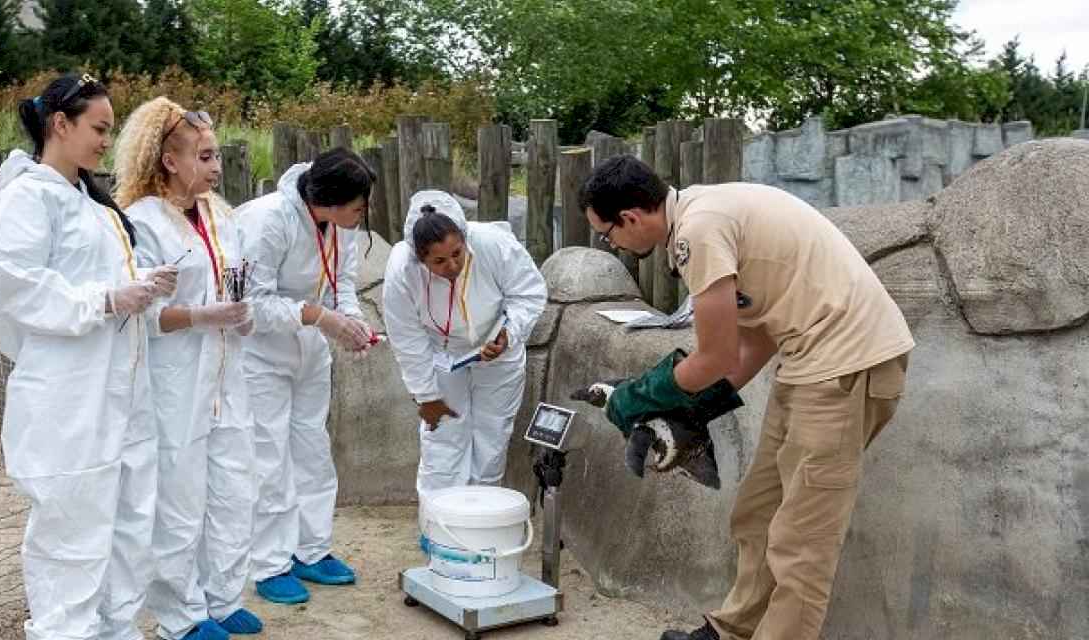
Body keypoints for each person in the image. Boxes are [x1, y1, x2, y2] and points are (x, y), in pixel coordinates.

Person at [578, 156, 913, 640]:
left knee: (802, 542)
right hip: (809, 363)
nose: (613, 245)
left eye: (607, 235)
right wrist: (694, 409)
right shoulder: (700, 217)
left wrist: (637, 397)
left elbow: (713, 357)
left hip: (847, 366)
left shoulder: (698, 232)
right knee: (757, 512)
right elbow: (754, 340)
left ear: (629, 218)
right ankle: (732, 630)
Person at [0, 73, 178, 640]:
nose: (107, 141)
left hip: (120, 390)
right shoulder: (27, 199)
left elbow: (94, 276)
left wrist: (141, 282)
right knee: (72, 535)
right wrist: (104, 299)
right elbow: (11, 282)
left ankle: (115, 628)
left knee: (128, 521)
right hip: (69, 397)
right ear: (60, 124)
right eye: (99, 129)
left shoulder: (92, 205)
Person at [114, 97, 262, 639]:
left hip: (227, 375)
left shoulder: (222, 217)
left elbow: (239, 282)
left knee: (234, 489)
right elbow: (141, 315)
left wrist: (240, 315)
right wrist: (201, 315)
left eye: (216, 155)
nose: (215, 166)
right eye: (204, 157)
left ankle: (223, 598)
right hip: (176, 380)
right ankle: (180, 616)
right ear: (169, 160)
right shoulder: (143, 221)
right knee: (179, 499)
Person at [237, 148, 376, 604]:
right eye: (358, 205)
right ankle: (269, 563)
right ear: (331, 199)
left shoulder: (341, 226)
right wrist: (320, 317)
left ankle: (311, 549)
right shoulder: (268, 220)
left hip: (310, 349)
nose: (362, 213)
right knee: (269, 457)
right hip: (260, 354)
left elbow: (343, 283)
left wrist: (352, 324)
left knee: (313, 449)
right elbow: (250, 305)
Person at [381, 191, 546, 504]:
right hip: (440, 354)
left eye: (457, 253)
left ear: (464, 238)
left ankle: (479, 520)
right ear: (420, 257)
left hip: (497, 349)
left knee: (491, 438)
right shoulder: (401, 269)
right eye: (438, 261)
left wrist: (508, 334)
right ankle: (438, 522)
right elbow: (407, 338)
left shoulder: (492, 243)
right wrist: (426, 395)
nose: (452, 265)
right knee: (443, 439)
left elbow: (530, 293)